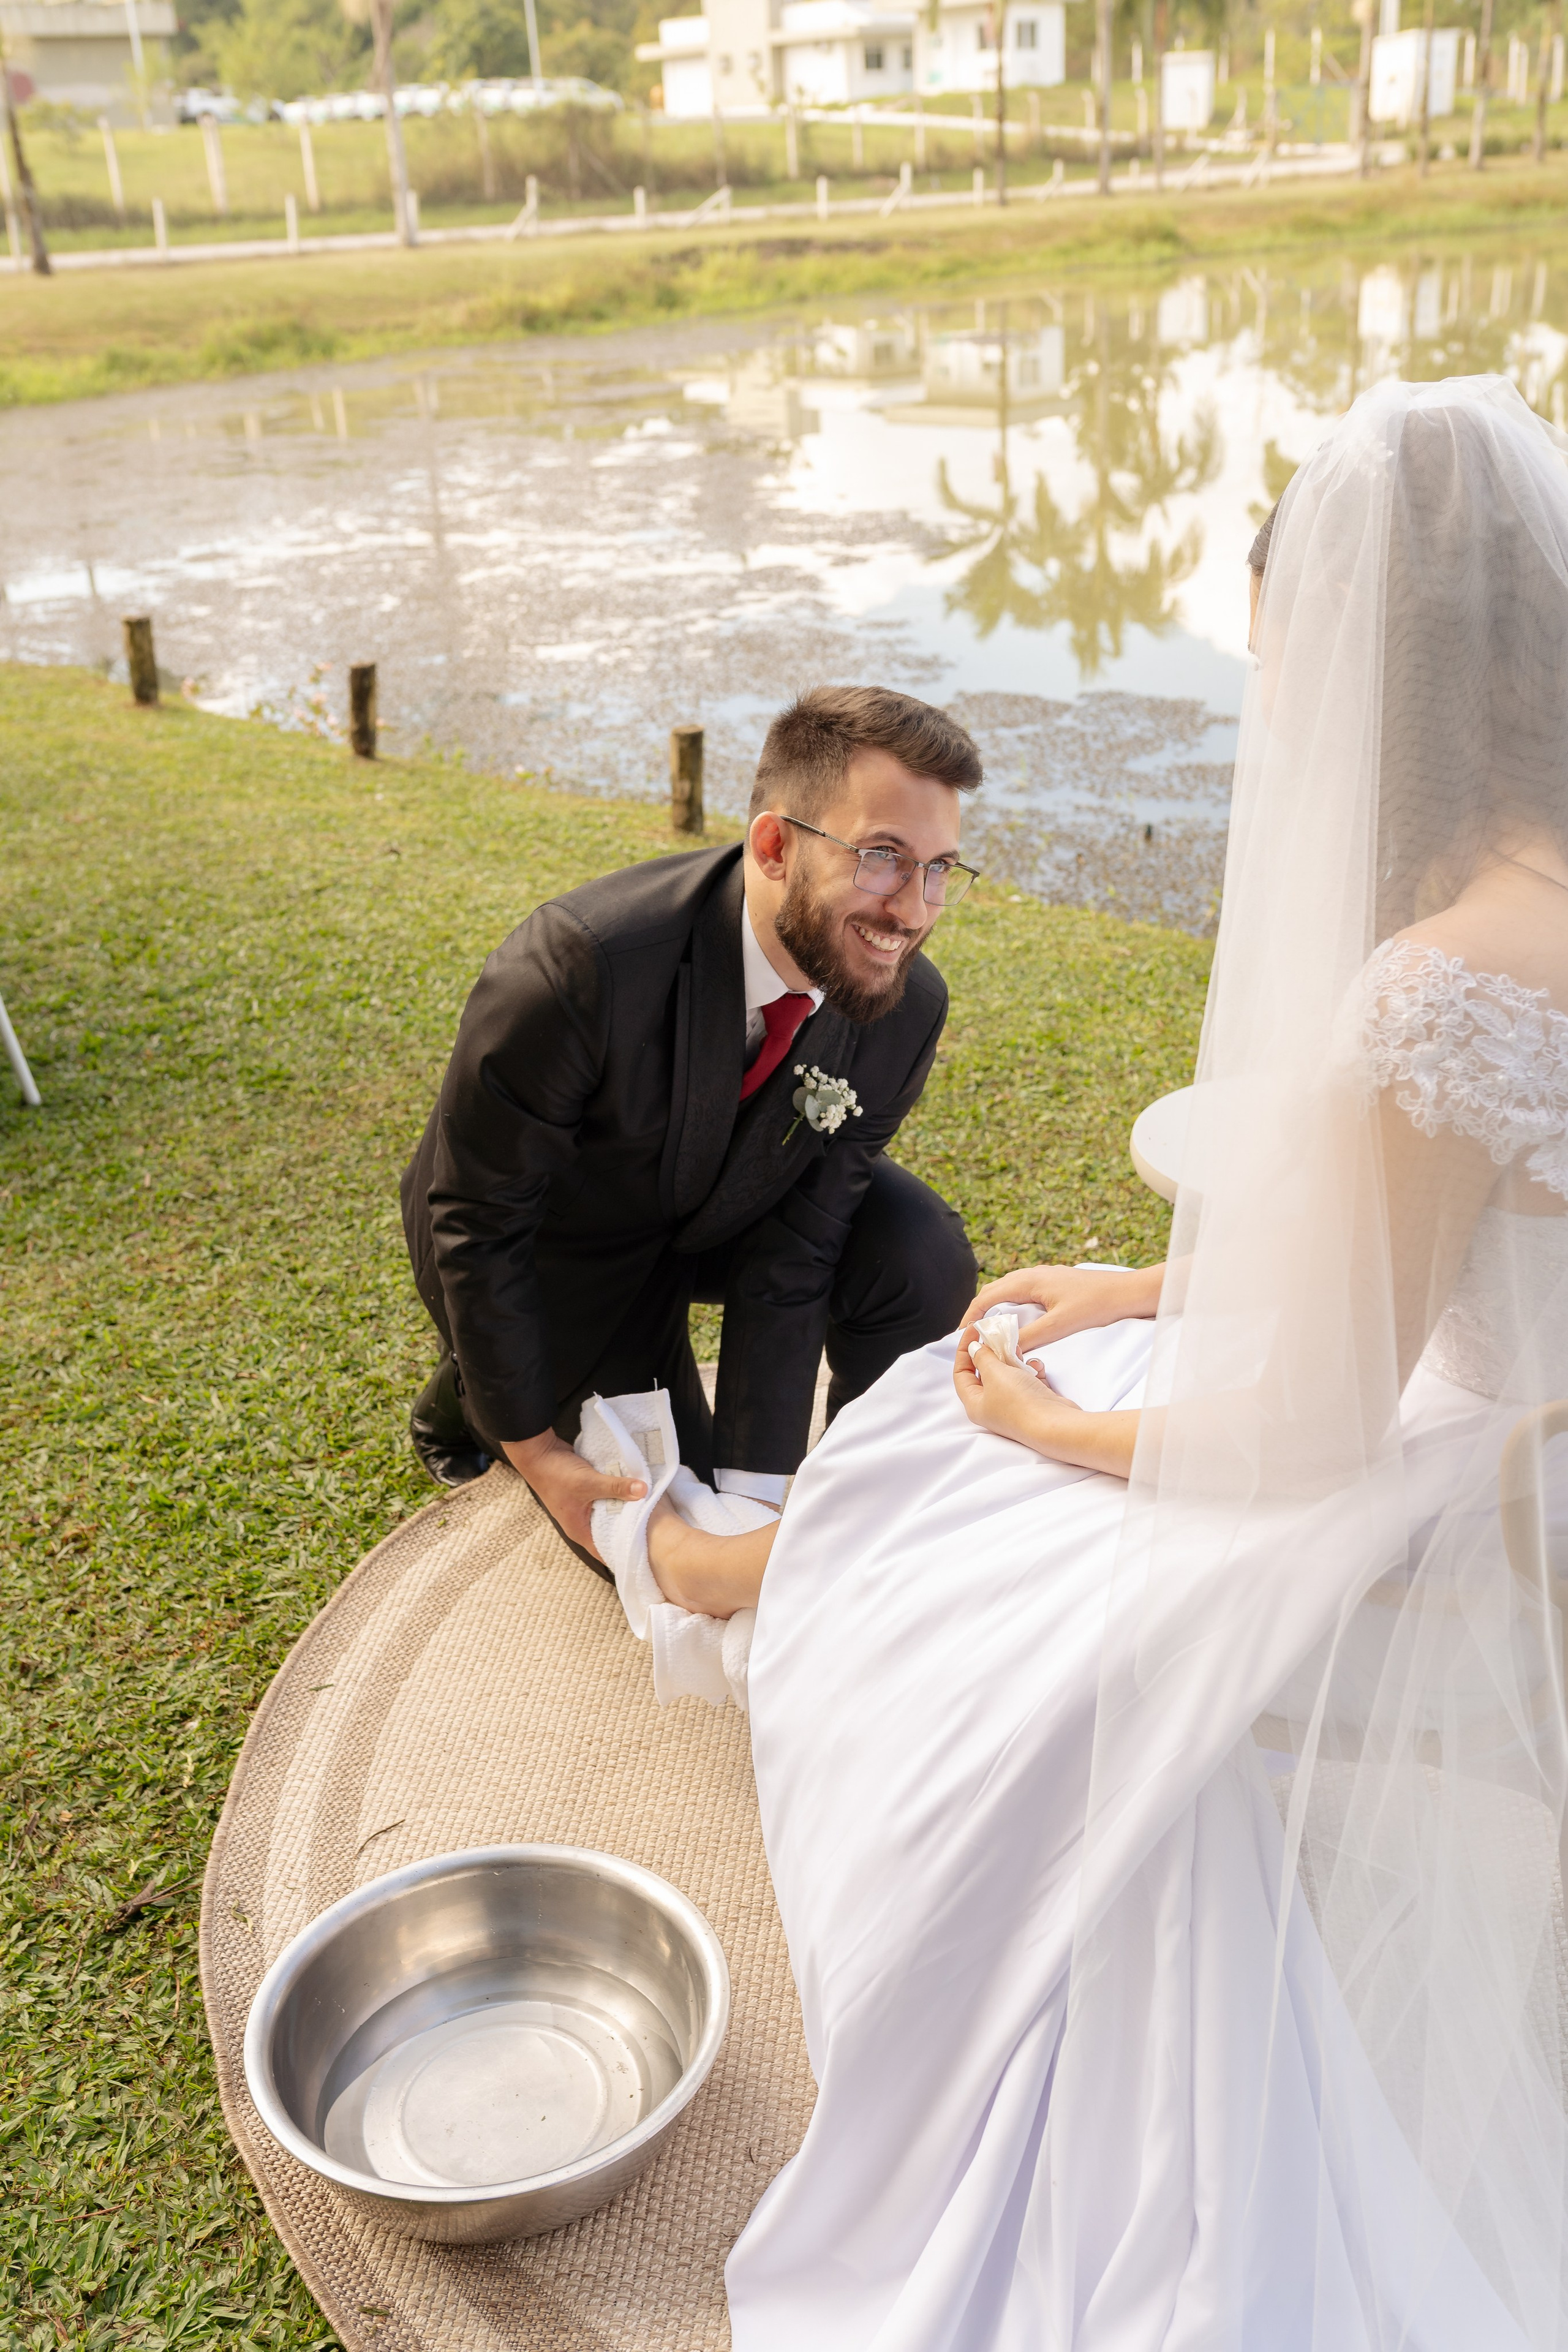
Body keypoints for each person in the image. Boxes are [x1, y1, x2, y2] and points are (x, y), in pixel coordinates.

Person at [645, 377, 1568, 2345]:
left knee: (941, 1472)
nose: (1285, 726)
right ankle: (741, 1563)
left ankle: (748, 1580)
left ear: (1394, 668)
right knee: (956, 1425)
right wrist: (1151, 1287)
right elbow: (1496, 1218)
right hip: (1520, 1398)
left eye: (1298, 671)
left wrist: (1055, 1419)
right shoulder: (1541, 891)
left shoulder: (1456, 971)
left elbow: (1318, 1416)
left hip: (1476, 1462)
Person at [399, 685, 981, 1569]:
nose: (913, 909)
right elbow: (480, 1227)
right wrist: (536, 1450)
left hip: (722, 1205)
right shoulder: (576, 968)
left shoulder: (901, 1007)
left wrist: (761, 1495)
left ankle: (861, 1498)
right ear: (777, 846)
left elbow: (805, 1239)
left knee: (917, 1250)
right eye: (882, 857)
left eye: (939, 868)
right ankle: (472, 1399)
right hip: (560, 1240)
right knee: (651, 1522)